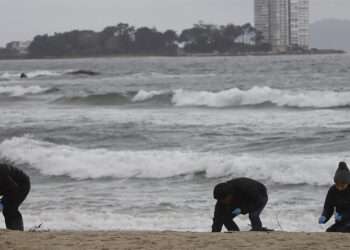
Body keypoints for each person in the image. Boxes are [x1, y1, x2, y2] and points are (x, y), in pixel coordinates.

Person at [319, 162, 350, 232]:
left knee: (345, 230)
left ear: (348, 183)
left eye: (342, 185)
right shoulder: (333, 190)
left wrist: (343, 216)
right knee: (329, 231)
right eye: (337, 184)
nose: (339, 188)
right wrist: (324, 216)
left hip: (348, 221)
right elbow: (328, 207)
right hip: (340, 223)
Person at [0, 161, 30, 231]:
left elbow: (14, 189)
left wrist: (2, 203)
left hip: (21, 185)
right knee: (7, 207)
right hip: (8, 188)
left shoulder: (2, 173)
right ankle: (13, 231)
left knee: (9, 208)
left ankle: (17, 231)